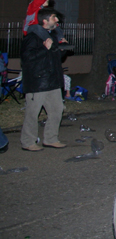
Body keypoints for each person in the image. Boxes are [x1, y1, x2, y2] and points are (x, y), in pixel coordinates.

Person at [20, 8, 66, 151]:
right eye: (54, 18)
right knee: (32, 113)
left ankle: (51, 139)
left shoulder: (52, 36)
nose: (57, 20)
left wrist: (61, 49)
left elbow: (56, 58)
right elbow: (27, 59)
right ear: (45, 21)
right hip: (38, 81)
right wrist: (44, 48)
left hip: (52, 80)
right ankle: (28, 142)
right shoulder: (32, 38)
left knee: (57, 110)